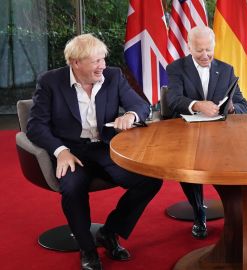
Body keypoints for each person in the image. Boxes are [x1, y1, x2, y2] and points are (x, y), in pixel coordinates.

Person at [27, 34, 162, 270]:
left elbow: (140, 105)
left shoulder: (113, 76)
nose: (103, 66)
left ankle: (110, 232)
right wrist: (60, 151)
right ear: (75, 63)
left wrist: (131, 115)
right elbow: (35, 125)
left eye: (103, 59)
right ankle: (87, 249)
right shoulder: (50, 82)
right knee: (72, 188)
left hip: (106, 147)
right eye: (96, 61)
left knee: (150, 180)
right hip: (71, 150)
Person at [166, 26, 247, 239]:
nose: (205, 55)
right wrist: (197, 105)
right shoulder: (176, 68)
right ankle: (198, 212)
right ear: (189, 47)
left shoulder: (227, 69)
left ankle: (235, 213)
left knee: (233, 165)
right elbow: (173, 100)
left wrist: (232, 108)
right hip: (186, 132)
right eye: (199, 50)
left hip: (220, 134)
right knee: (189, 169)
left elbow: (242, 104)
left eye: (209, 49)